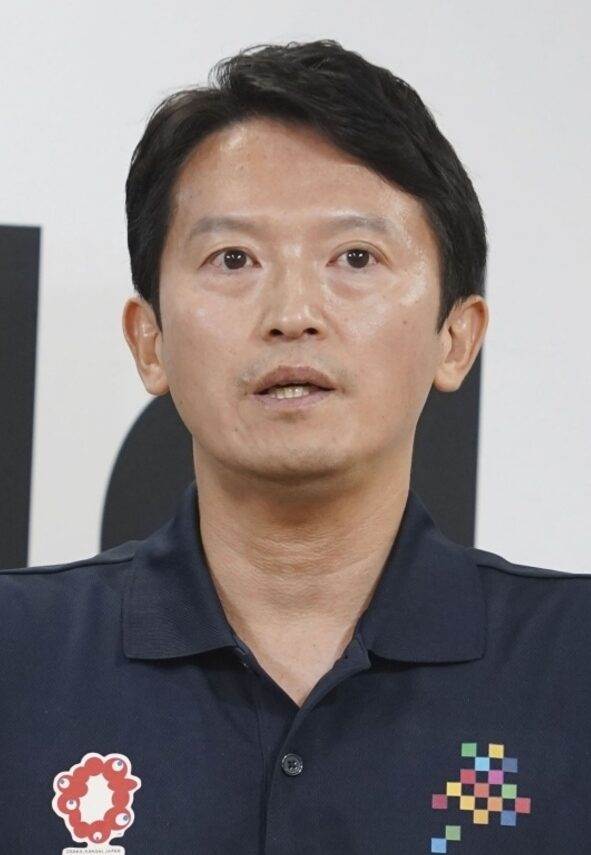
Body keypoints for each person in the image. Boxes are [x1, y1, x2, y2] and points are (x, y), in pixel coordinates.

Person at [1, 38, 589, 855]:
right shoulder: (19, 656)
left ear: (455, 338)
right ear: (149, 341)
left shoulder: (570, 665)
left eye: (355, 257)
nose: (292, 314)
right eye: (232, 258)